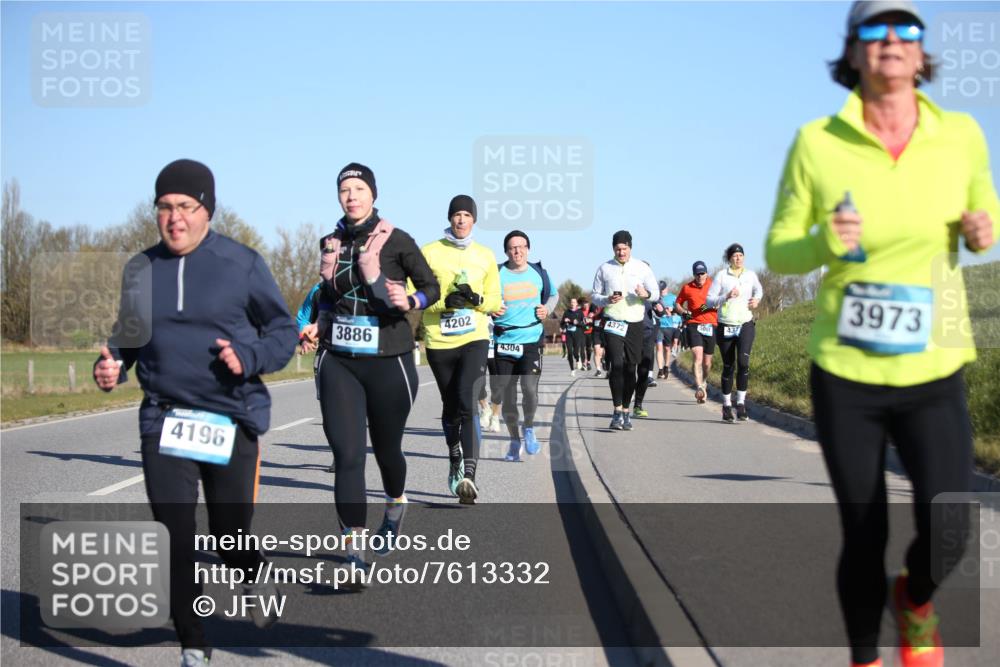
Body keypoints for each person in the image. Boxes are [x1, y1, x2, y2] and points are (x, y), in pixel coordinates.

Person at [766, 2, 998, 665]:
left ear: (923, 54)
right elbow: (779, 248)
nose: (891, 40)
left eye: (907, 30)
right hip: (846, 370)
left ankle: (915, 598)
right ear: (853, 51)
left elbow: (986, 210)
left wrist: (985, 230)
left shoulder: (961, 135)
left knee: (951, 525)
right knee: (864, 532)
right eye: (875, 28)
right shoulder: (818, 141)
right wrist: (820, 239)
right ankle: (866, 656)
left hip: (934, 364)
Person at [93, 159, 299, 666]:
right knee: (174, 540)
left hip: (230, 417)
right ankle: (194, 648)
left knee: (228, 540)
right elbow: (129, 333)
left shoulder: (242, 263)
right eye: (164, 207)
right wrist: (114, 364)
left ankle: (251, 570)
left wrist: (248, 357)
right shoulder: (141, 268)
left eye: (186, 206)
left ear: (207, 209)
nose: (175, 218)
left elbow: (283, 333)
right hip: (164, 419)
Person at [313, 162, 440, 574]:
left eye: (358, 188)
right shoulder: (331, 242)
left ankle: (396, 502)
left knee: (386, 451)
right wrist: (317, 323)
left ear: (373, 195)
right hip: (339, 361)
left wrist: (412, 302)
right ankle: (354, 551)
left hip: (390, 360)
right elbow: (327, 297)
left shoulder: (398, 241)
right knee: (348, 455)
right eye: (344, 189)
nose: (351, 196)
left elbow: (431, 287)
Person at [422, 195, 501, 504]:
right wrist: (445, 301)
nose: (462, 220)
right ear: (450, 218)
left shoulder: (485, 255)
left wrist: (476, 299)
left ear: (474, 220)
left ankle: (469, 475)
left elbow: (495, 300)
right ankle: (454, 456)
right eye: (457, 214)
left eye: (467, 214)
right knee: (450, 405)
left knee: (467, 398)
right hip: (439, 339)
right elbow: (413, 293)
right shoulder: (429, 253)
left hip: (474, 337)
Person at [490, 230, 556, 461]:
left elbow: (553, 296)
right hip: (504, 342)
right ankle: (514, 440)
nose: (517, 251)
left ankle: (528, 428)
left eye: (521, 246)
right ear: (506, 251)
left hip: (531, 340)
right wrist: (490, 308)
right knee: (507, 396)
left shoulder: (539, 273)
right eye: (512, 247)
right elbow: (485, 299)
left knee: (529, 389)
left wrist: (547, 309)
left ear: (528, 249)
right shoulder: (496, 273)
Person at [590, 230, 659, 431]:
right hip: (613, 322)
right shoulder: (604, 268)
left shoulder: (641, 268)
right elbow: (594, 295)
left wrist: (645, 293)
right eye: (618, 249)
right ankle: (616, 410)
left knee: (631, 369)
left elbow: (654, 294)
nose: (621, 252)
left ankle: (626, 411)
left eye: (625, 249)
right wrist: (606, 299)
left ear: (630, 248)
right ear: (613, 249)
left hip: (635, 323)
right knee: (617, 365)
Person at [706, 243, 763, 423]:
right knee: (729, 365)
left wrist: (757, 300)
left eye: (740, 255)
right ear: (729, 258)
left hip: (745, 322)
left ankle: (740, 404)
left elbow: (759, 290)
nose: (738, 258)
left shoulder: (750, 275)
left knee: (744, 363)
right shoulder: (722, 276)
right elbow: (709, 301)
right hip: (725, 324)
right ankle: (726, 405)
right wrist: (726, 296)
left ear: (744, 257)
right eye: (734, 256)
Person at [295, 281, 336, 471]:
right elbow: (302, 318)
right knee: (330, 409)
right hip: (327, 353)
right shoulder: (318, 290)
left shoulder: (368, 282)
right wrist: (304, 338)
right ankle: (340, 452)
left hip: (363, 357)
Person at [674, 261, 717, 404]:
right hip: (694, 325)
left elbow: (722, 299)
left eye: (702, 273)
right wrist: (683, 312)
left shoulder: (714, 285)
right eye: (697, 274)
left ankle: (704, 381)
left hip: (711, 324)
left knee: (707, 362)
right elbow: (677, 303)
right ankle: (699, 387)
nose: (700, 276)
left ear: (706, 273)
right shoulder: (687, 288)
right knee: (697, 356)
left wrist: (717, 304)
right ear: (694, 275)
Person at [631, 299, 660, 418]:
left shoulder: (651, 294)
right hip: (630, 333)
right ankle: (625, 404)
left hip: (647, 334)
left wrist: (660, 309)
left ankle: (638, 405)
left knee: (644, 371)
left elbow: (661, 313)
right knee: (630, 370)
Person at [562, 297, 586, 376]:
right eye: (571, 302)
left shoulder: (580, 312)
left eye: (574, 302)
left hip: (577, 334)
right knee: (569, 352)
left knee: (576, 351)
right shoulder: (567, 312)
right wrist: (564, 323)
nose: (572, 303)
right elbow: (562, 323)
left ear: (576, 304)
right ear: (570, 303)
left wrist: (577, 322)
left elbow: (584, 324)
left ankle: (578, 359)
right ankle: (572, 369)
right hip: (569, 334)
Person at [581, 299, 595, 370]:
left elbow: (595, 320)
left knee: (589, 348)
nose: (586, 307)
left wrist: (591, 319)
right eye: (584, 305)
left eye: (587, 305)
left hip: (590, 332)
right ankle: (584, 363)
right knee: (582, 348)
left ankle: (588, 362)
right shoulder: (580, 311)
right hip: (582, 332)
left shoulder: (591, 312)